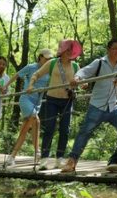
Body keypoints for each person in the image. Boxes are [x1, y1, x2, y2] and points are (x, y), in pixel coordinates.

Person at [60, 39, 117, 173]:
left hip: (114, 106)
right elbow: (83, 72)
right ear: (108, 49)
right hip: (97, 105)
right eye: (114, 48)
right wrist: (77, 79)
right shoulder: (99, 63)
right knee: (84, 133)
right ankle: (72, 162)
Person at [27, 40, 82, 170]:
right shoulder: (52, 63)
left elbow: (81, 81)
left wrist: (82, 84)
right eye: (67, 50)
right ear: (62, 51)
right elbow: (37, 74)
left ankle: (60, 159)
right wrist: (31, 85)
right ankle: (44, 159)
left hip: (67, 101)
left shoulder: (75, 66)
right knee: (49, 128)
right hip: (51, 99)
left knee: (65, 130)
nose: (69, 53)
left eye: (71, 50)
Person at [3, 49, 54, 167]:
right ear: (40, 57)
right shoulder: (31, 67)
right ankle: (37, 153)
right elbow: (17, 75)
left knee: (27, 127)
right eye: (46, 58)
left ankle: (12, 156)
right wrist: (5, 86)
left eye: (50, 59)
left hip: (37, 101)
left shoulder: (50, 70)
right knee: (36, 120)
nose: (48, 60)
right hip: (26, 98)